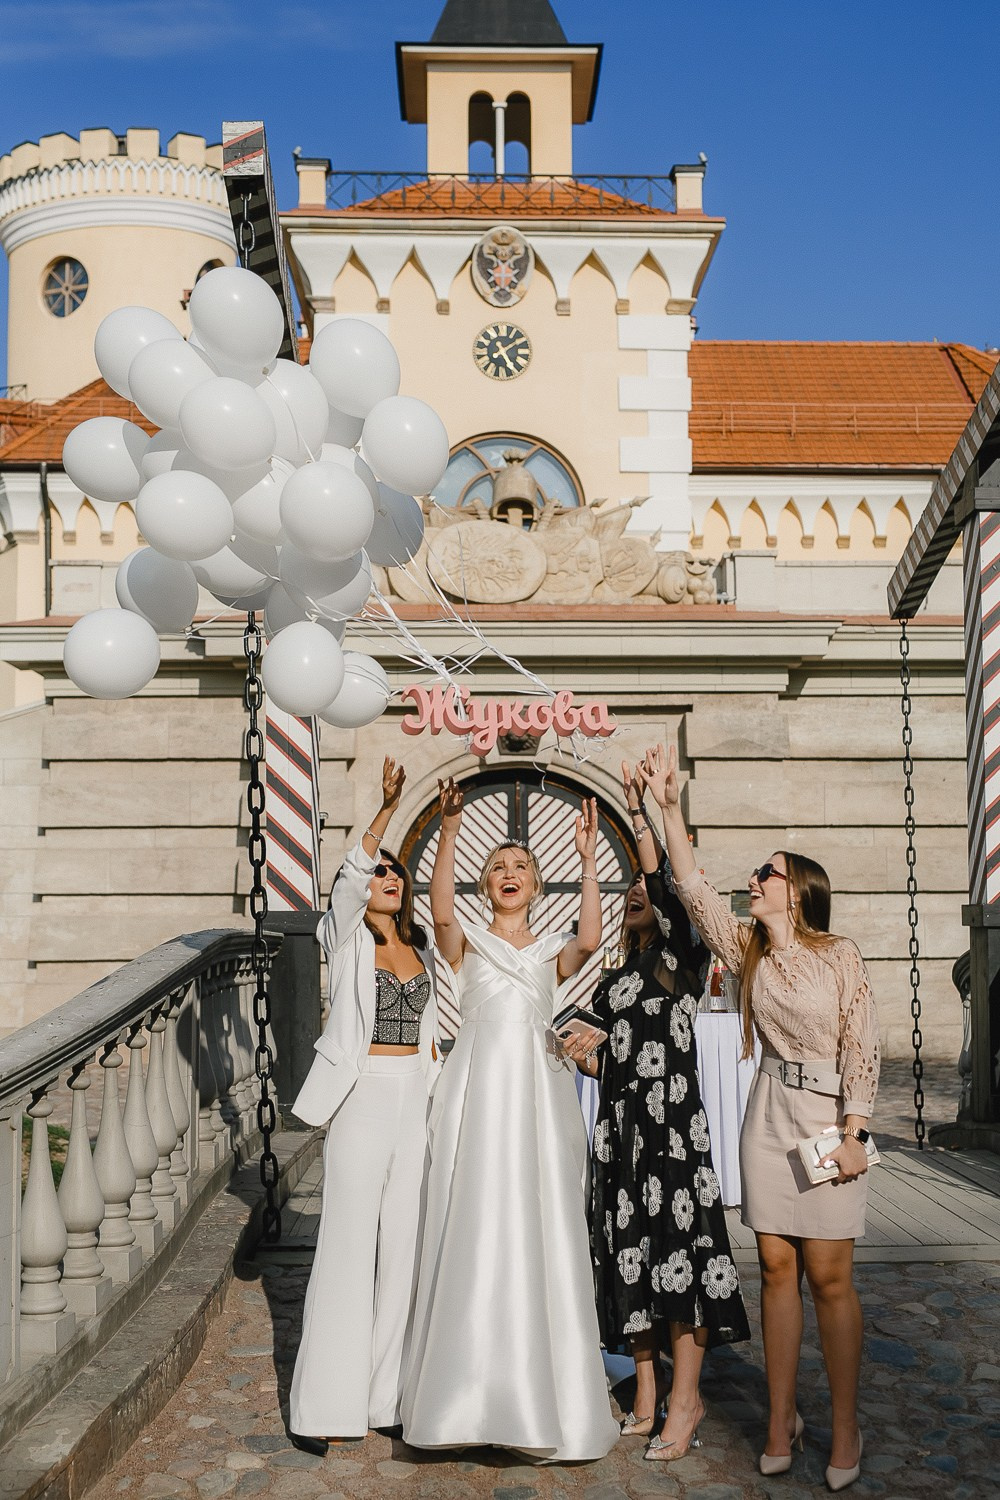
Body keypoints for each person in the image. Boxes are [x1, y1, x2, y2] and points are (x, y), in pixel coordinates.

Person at [642, 743, 879, 1493]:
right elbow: (692, 889)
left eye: (766, 874)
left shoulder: (839, 954)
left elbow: (861, 1044)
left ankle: (845, 1425)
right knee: (775, 1268)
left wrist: (855, 1131)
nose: (754, 881)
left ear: (798, 890)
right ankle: (780, 1420)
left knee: (830, 1275)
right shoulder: (747, 952)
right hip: (768, 1111)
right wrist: (667, 808)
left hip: (829, 1117)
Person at [400, 778, 620, 1463]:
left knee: (541, 1220)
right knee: (473, 1217)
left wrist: (588, 859)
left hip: (539, 1092)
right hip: (476, 1095)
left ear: (537, 884)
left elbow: (591, 935)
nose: (508, 874)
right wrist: (451, 834)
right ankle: (457, 1395)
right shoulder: (465, 943)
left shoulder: (553, 947)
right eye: (497, 868)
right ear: (483, 885)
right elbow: (438, 916)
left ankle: (542, 1392)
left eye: (520, 866)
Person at [574, 760, 751, 1463]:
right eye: (626, 891)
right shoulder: (616, 977)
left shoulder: (679, 956)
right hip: (620, 1137)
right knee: (630, 1262)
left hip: (672, 1133)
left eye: (639, 888)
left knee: (681, 1260)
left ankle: (687, 1398)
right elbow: (581, 1039)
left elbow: (676, 892)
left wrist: (642, 812)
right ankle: (646, 1392)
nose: (632, 893)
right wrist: (578, 1049)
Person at [288, 758, 441, 1454]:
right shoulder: (345, 939)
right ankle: (324, 1405)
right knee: (347, 1245)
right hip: (361, 1098)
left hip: (416, 1096)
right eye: (384, 873)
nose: (388, 879)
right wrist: (386, 809)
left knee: (403, 1248)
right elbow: (347, 877)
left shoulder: (421, 946)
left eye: (397, 875)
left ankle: (385, 1397)